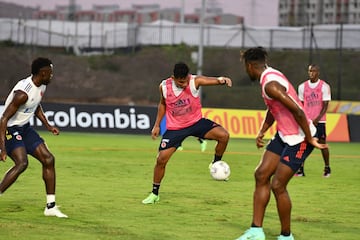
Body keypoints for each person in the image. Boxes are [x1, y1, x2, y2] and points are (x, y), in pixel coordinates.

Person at [236, 47, 327, 240]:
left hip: (301, 138)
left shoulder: (270, 84)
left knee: (278, 185)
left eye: (246, 67)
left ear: (250, 66)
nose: (246, 71)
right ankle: (256, 231)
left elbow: (299, 112)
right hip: (284, 135)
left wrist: (310, 138)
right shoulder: (270, 76)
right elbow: (274, 108)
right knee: (261, 174)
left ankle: (286, 236)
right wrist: (262, 130)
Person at [142, 62, 232, 204]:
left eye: (186, 80)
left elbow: (209, 80)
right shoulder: (164, 87)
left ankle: (215, 163)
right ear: (173, 78)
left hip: (196, 123)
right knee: (161, 160)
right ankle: (154, 194)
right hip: (175, 128)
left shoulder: (193, 81)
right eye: (181, 82)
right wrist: (157, 125)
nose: (184, 84)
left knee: (224, 136)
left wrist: (221, 80)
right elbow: (163, 104)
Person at [0, 57, 68, 218]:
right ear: (43, 73)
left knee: (48, 159)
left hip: (25, 128)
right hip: (9, 128)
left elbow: (35, 105)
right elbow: (3, 119)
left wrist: (48, 126)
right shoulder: (22, 93)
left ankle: (50, 207)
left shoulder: (42, 85)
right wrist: (2, 147)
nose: (52, 76)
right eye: (50, 73)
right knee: (22, 163)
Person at [296, 64, 331, 177]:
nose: (311, 73)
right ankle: (300, 169)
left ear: (318, 72)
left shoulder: (324, 86)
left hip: (319, 122)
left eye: (314, 71)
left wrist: (317, 119)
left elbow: (325, 106)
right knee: (303, 144)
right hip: (306, 121)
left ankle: (327, 168)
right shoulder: (302, 87)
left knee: (322, 144)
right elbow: (301, 105)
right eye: (310, 71)